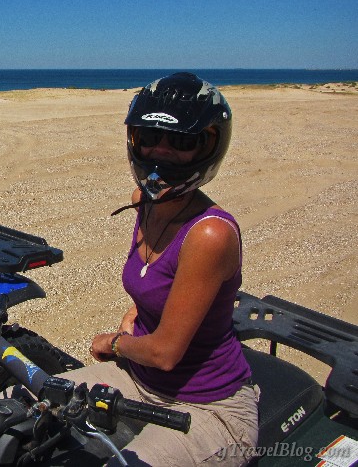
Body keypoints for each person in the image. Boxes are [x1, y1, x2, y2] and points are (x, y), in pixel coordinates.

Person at [62, 72, 259, 466]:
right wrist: (138, 310)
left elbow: (166, 353)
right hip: (140, 378)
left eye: (182, 142)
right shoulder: (145, 201)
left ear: (208, 147)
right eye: (150, 139)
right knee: (23, 403)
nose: (161, 152)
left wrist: (112, 343)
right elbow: (152, 281)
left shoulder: (209, 235)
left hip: (208, 405)